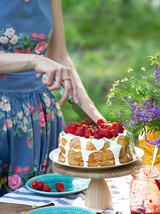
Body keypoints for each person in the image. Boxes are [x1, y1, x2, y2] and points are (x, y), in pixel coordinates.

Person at [0, 0, 104, 196]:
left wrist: (95, 116)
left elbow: (59, 56)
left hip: (39, 117)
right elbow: (44, 60)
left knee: (37, 207)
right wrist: (35, 60)